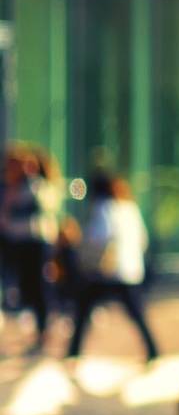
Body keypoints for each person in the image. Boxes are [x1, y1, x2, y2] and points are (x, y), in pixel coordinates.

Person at [67, 173, 159, 361]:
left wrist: (80, 246)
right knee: (136, 313)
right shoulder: (129, 207)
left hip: (106, 272)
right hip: (130, 270)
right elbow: (143, 239)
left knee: (83, 310)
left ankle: (73, 353)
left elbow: (98, 237)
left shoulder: (102, 208)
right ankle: (153, 351)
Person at [1, 146, 60, 354]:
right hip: (16, 243)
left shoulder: (36, 187)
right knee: (25, 287)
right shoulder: (10, 188)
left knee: (37, 286)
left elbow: (36, 213)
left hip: (35, 244)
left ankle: (43, 331)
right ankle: (38, 328)